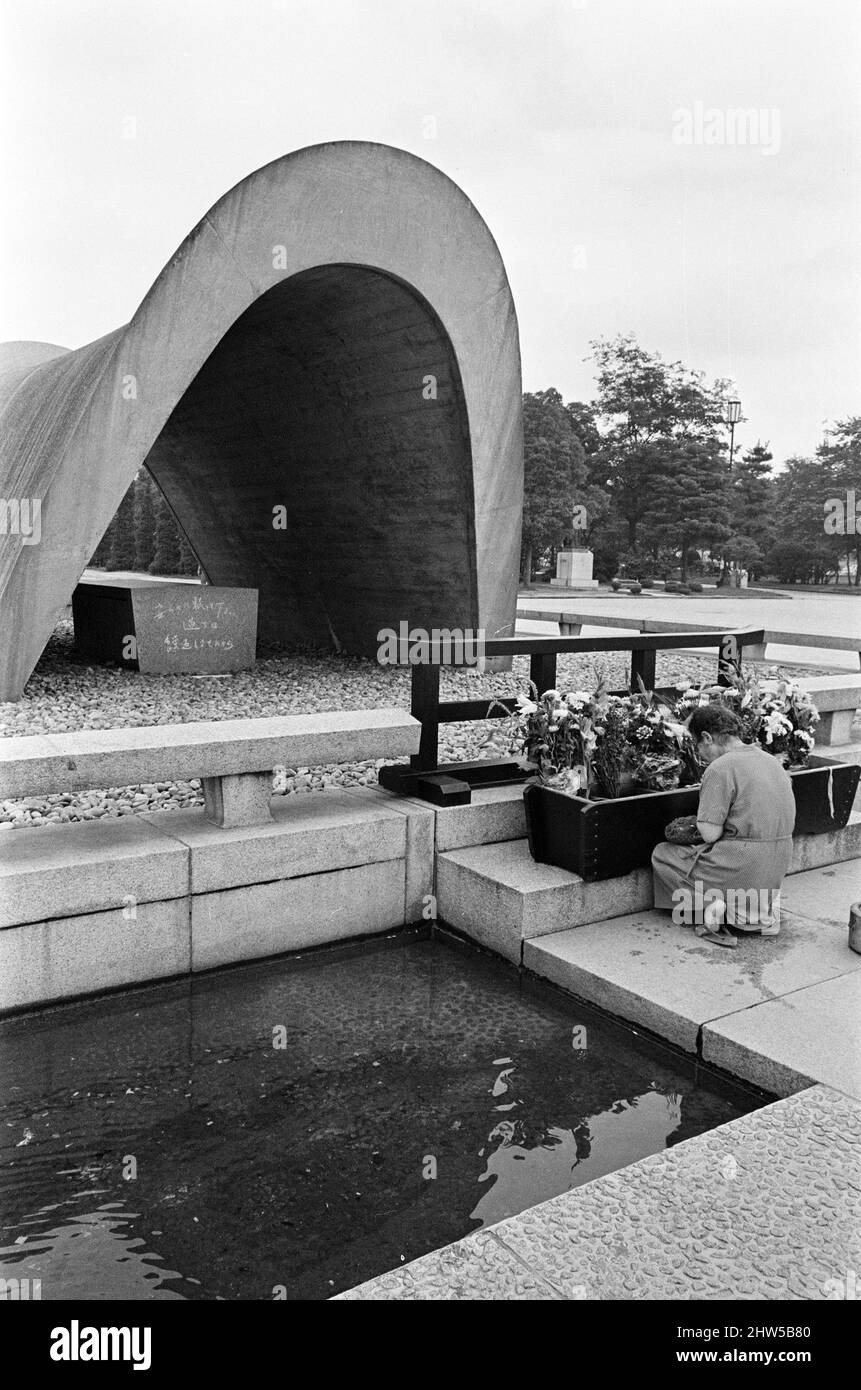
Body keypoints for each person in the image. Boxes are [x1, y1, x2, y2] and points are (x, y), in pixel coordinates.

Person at [651, 705, 796, 947]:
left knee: (663, 855)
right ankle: (746, 909)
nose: (698, 752)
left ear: (707, 737)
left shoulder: (720, 768)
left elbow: (709, 833)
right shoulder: (771, 761)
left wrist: (697, 821)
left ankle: (713, 905)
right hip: (779, 859)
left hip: (741, 861)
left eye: (697, 744)